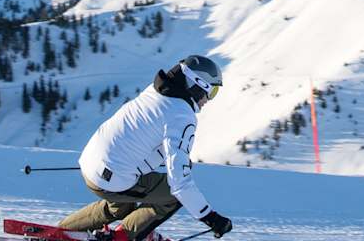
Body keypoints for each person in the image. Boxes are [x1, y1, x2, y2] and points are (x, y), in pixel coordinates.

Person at [59, 55, 234, 241]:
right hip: (112, 179)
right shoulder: (182, 116)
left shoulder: (155, 92)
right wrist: (210, 217)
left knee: (121, 206)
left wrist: (172, 158)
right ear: (197, 85)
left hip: (90, 163)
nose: (209, 99)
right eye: (212, 91)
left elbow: (146, 138)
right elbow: (180, 185)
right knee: (172, 198)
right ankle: (123, 237)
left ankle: (62, 231)